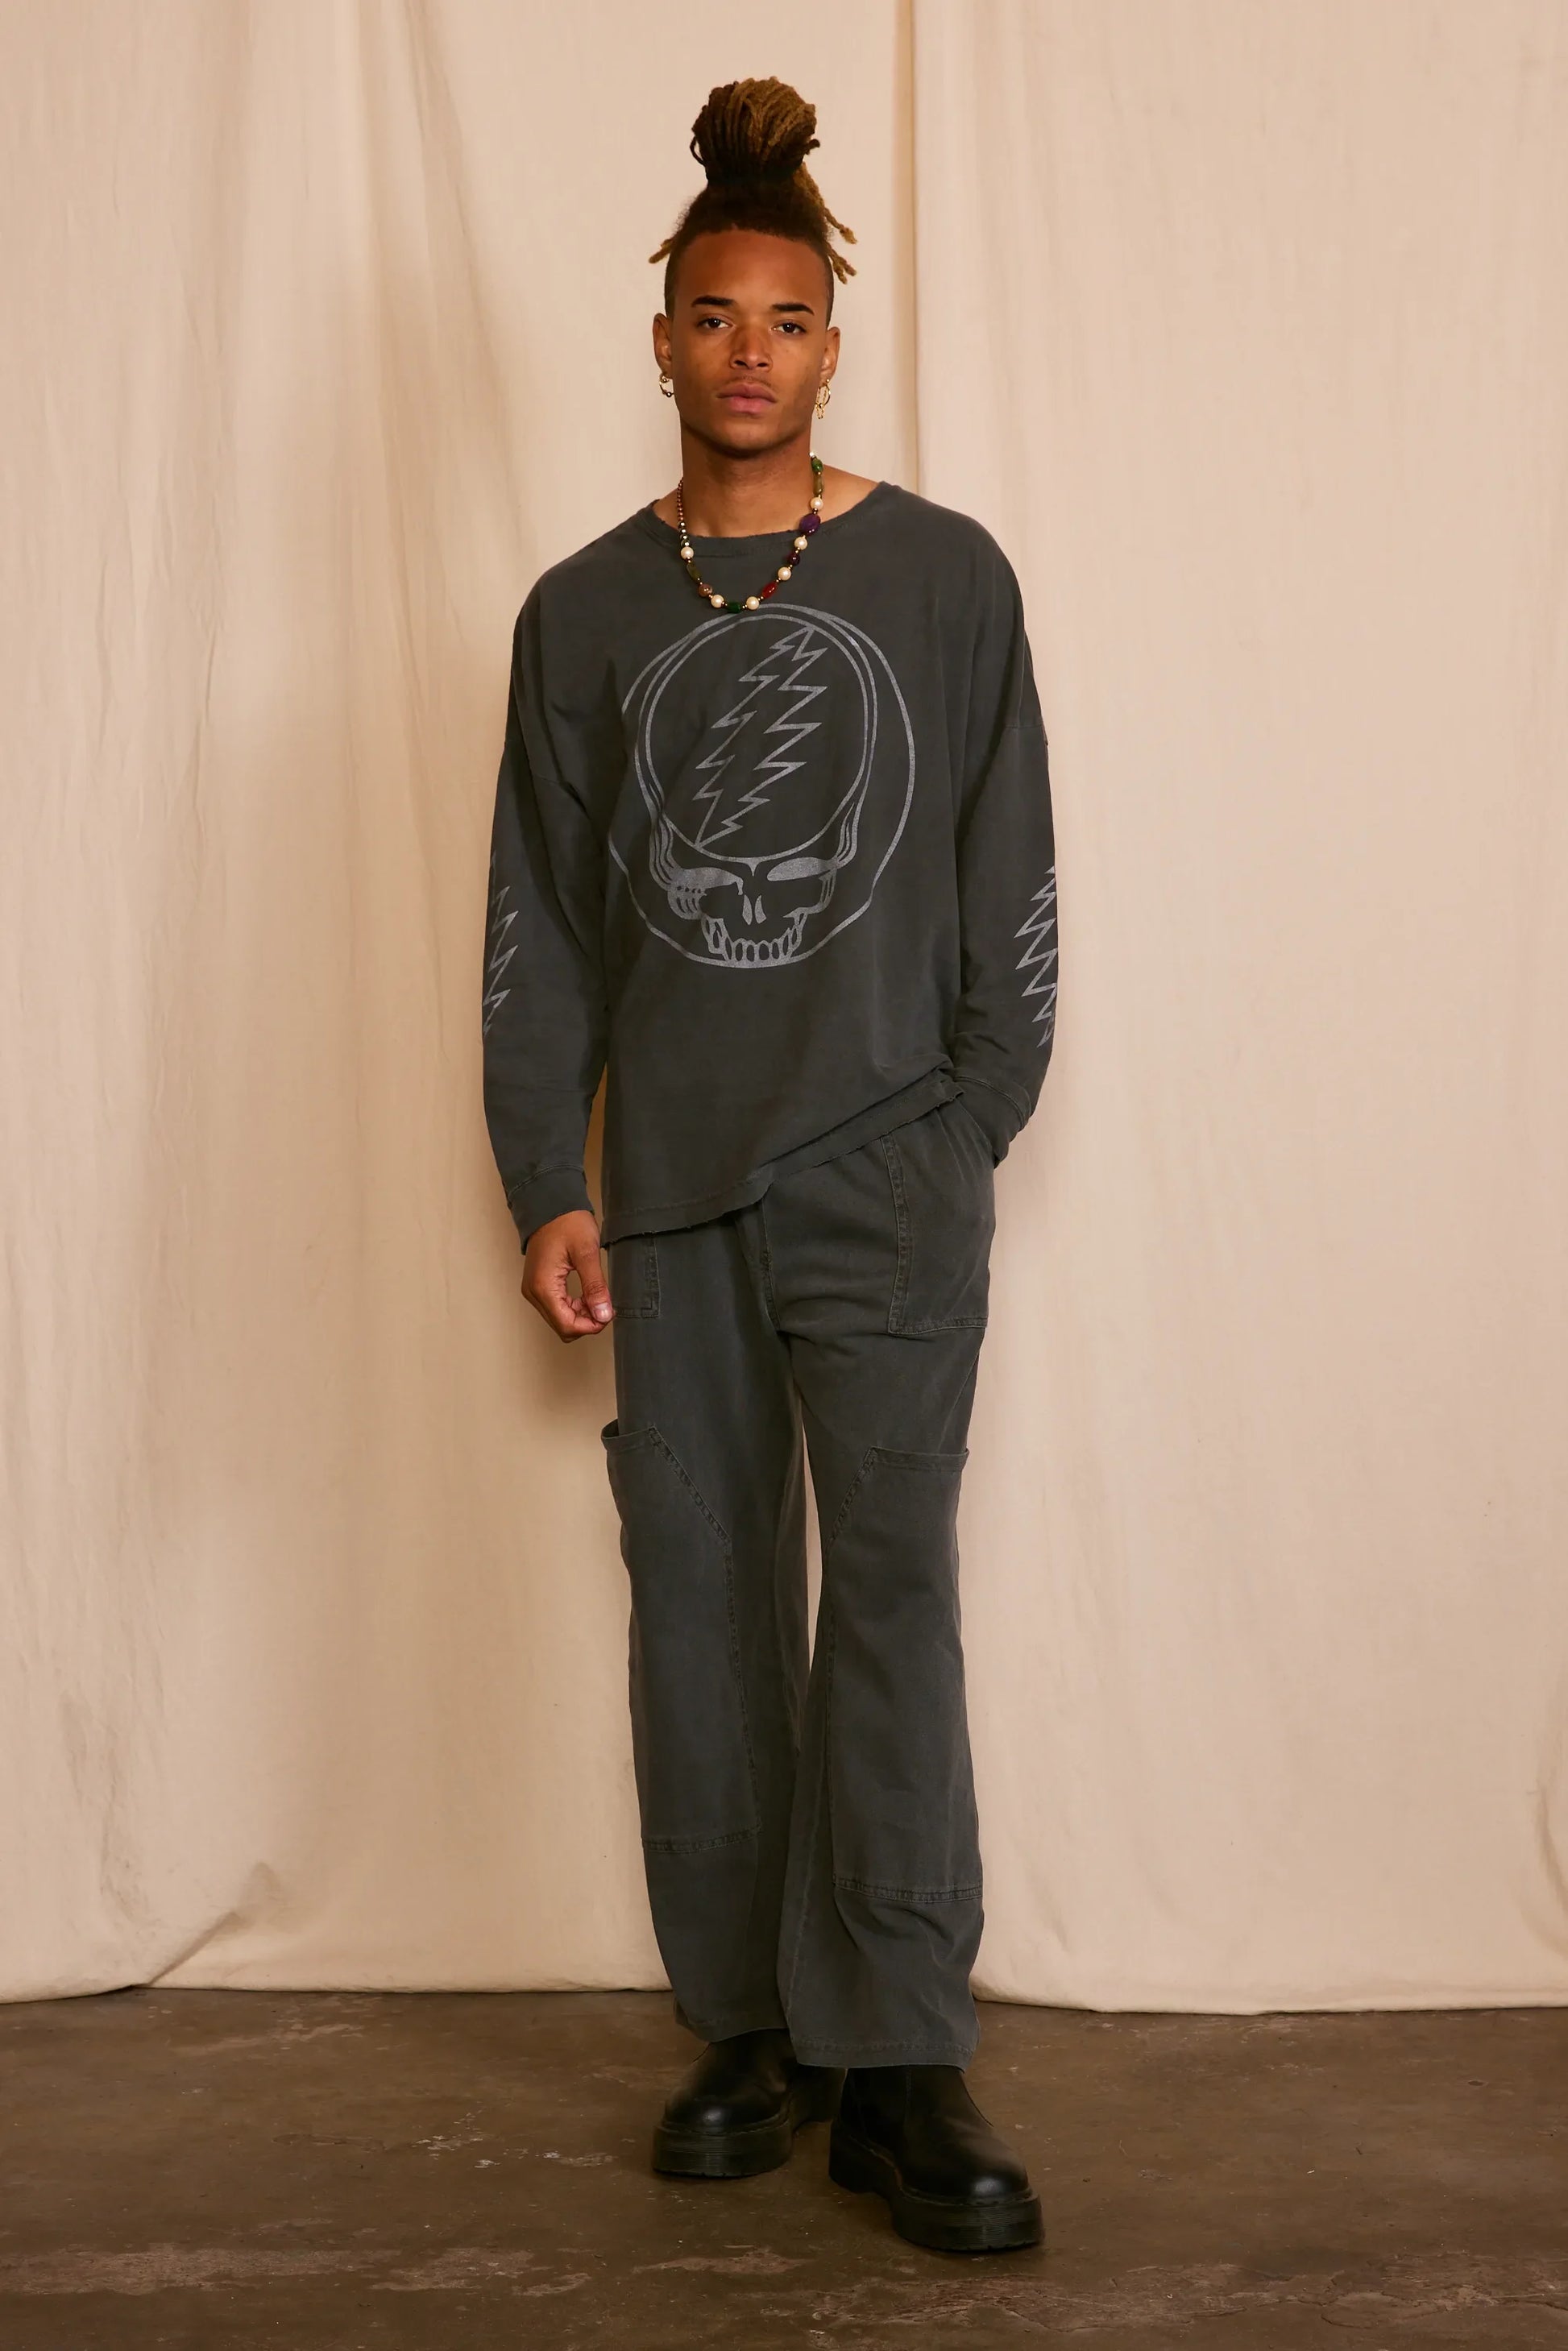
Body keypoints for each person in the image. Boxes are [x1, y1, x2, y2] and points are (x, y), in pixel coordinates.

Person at [481, 77, 1059, 2257]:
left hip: (886, 1172)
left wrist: (970, 1117)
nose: (750, 351)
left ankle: (901, 2054)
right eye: (715, 317)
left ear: (833, 342)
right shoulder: (581, 613)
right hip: (670, 1190)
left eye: (788, 319)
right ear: (663, 341)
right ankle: (750, 2026)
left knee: (889, 1598)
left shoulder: (943, 577)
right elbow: (540, 918)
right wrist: (546, 1168)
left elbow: (1009, 861)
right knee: (704, 1610)